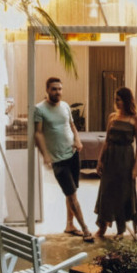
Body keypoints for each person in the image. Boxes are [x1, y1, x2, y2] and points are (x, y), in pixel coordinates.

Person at [34, 77, 94, 242]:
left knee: (72, 192)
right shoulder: (39, 109)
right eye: (54, 89)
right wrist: (44, 153)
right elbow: (38, 133)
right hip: (58, 159)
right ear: (47, 90)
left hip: (73, 154)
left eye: (60, 89)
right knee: (72, 194)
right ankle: (86, 229)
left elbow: (72, 126)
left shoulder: (66, 106)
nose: (57, 92)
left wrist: (78, 139)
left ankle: (70, 225)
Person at [94, 86, 137, 238]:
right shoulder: (112, 117)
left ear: (126, 101)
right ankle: (102, 226)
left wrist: (136, 166)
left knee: (123, 193)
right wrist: (100, 160)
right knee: (106, 191)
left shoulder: (135, 119)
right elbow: (107, 140)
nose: (116, 103)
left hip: (126, 158)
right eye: (115, 100)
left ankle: (121, 229)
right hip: (110, 157)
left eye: (119, 100)